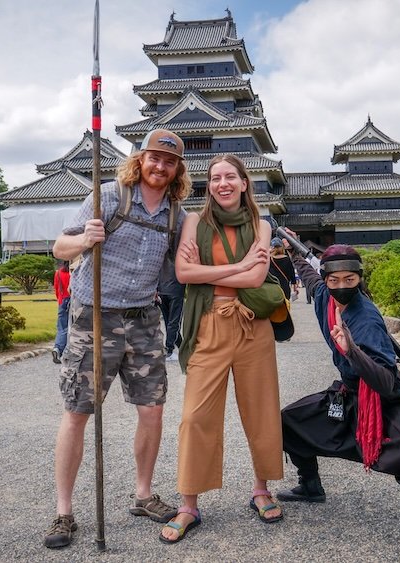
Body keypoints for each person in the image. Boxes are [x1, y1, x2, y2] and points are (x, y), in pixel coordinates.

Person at [277, 237, 400, 563]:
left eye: (349, 281)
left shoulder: (365, 319)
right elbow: (309, 275)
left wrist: (351, 349)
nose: (341, 287)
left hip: (385, 400)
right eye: (334, 280)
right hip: (349, 394)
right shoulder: (324, 294)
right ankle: (310, 485)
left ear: (359, 279)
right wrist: (293, 251)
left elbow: (383, 380)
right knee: (289, 421)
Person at [43, 128, 190, 549]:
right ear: (140, 160)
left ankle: (144, 495)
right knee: (77, 411)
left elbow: (182, 266)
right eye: (154, 158)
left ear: (178, 168)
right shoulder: (108, 194)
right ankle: (64, 511)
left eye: (169, 161)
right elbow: (59, 246)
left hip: (144, 317)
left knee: (153, 410)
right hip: (94, 315)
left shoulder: (175, 214)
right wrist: (84, 240)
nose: (160, 166)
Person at [160, 154, 284, 543]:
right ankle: (188, 505)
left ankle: (261, 489)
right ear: (208, 185)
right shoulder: (194, 222)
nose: (223, 183)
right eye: (215, 178)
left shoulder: (261, 224)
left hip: (252, 326)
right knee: (195, 417)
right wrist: (237, 267)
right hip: (208, 325)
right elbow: (183, 274)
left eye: (231, 176)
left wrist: (211, 272)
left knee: (261, 410)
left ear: (245, 182)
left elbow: (258, 274)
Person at [156, 258, 185, 362]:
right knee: (174, 322)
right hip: (175, 290)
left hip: (162, 290)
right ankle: (169, 350)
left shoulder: (162, 253)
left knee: (169, 322)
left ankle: (182, 346)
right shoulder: (179, 253)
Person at [52, 261, 71, 364]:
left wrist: (59, 300)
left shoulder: (58, 273)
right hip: (72, 300)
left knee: (61, 327)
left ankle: (57, 348)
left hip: (62, 300)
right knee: (72, 327)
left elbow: (56, 289)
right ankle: (64, 350)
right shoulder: (72, 273)